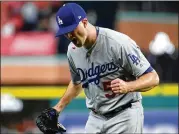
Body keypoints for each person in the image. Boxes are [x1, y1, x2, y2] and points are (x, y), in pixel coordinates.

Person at [36, 3, 159, 134]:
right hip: (96, 117)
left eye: (72, 30)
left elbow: (153, 77)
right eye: (66, 33)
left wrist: (129, 86)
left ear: (84, 22)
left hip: (124, 114)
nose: (70, 36)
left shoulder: (117, 43)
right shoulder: (72, 51)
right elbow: (77, 83)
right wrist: (57, 108)